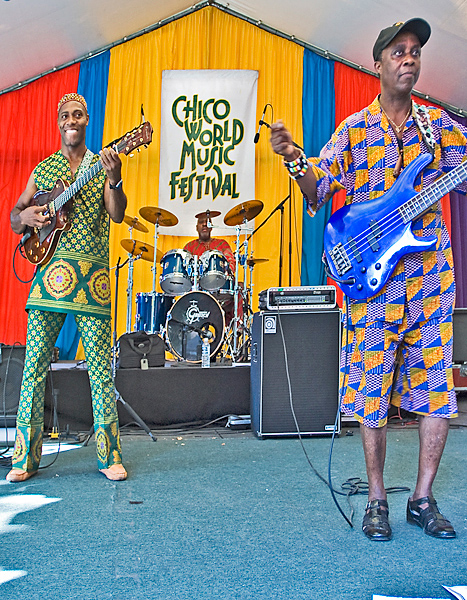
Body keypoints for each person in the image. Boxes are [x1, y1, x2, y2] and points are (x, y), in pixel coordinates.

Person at [270, 18, 467, 541]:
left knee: (437, 393)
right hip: (374, 282)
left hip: (431, 279)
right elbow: (320, 187)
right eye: (398, 51)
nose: (409, 59)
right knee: (371, 392)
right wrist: (294, 159)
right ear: (378, 63)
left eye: (415, 52)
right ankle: (377, 499)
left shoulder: (440, 125)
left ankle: (422, 499)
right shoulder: (355, 128)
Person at [7, 93, 128, 482]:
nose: (71, 120)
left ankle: (109, 457)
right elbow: (15, 218)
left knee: (99, 369)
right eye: (65, 115)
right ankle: (24, 460)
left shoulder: (99, 164)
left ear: (87, 120)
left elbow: (117, 213)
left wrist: (115, 178)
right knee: (34, 364)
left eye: (77, 114)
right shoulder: (44, 170)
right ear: (58, 122)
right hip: (47, 279)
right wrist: (24, 214)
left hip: (92, 280)